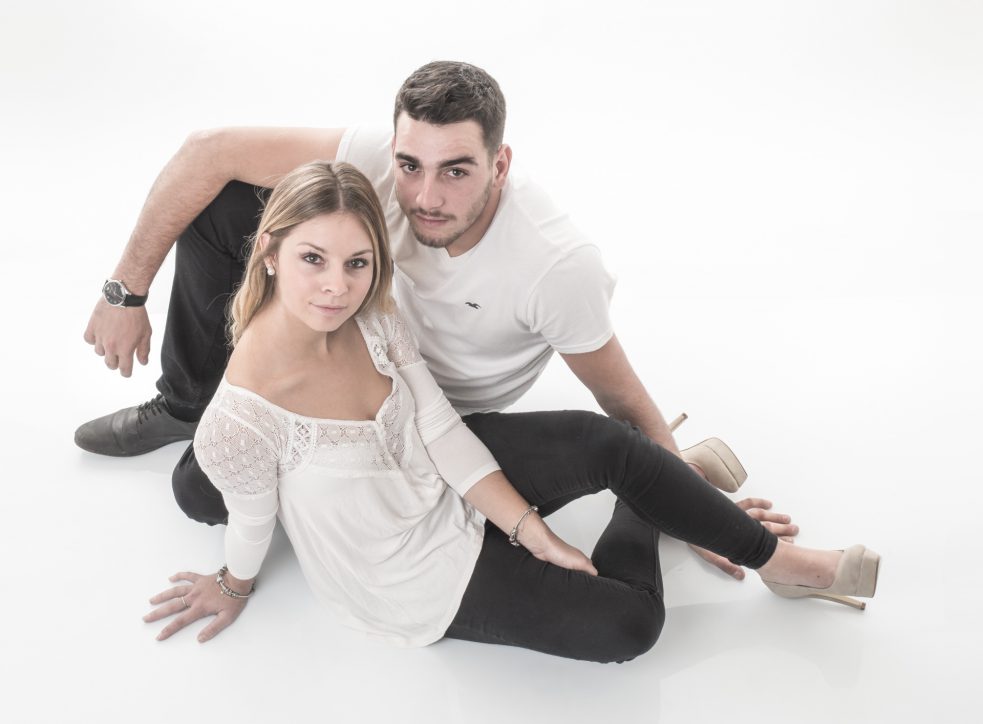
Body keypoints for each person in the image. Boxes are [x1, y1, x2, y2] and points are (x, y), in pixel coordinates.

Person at [78, 60, 795, 578]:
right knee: (225, 205)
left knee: (201, 493)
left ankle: (653, 487)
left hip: (424, 415)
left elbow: (623, 399)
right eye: (410, 165)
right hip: (342, 353)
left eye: (456, 170)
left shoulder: (556, 265)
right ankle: (187, 400)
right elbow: (210, 150)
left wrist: (691, 509)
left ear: (500, 163)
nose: (424, 195)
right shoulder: (383, 161)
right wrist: (126, 291)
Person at [140, 161, 880, 662]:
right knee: (629, 625)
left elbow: (440, 431)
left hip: (449, 481)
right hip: (406, 572)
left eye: (357, 263)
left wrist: (529, 528)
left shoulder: (372, 320)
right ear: (269, 252)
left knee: (605, 440)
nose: (337, 287)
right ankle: (649, 503)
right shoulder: (240, 418)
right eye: (313, 260)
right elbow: (252, 521)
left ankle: (782, 562)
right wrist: (232, 584)